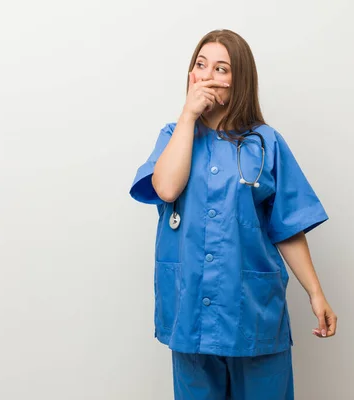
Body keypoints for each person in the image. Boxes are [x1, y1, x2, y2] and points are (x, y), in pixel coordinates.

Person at [129, 29, 337, 400]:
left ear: (240, 80)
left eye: (221, 68)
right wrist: (189, 116)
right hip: (189, 308)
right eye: (200, 65)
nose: (208, 75)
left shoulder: (266, 142)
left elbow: (287, 227)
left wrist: (316, 293)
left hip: (251, 310)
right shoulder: (174, 136)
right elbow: (166, 189)